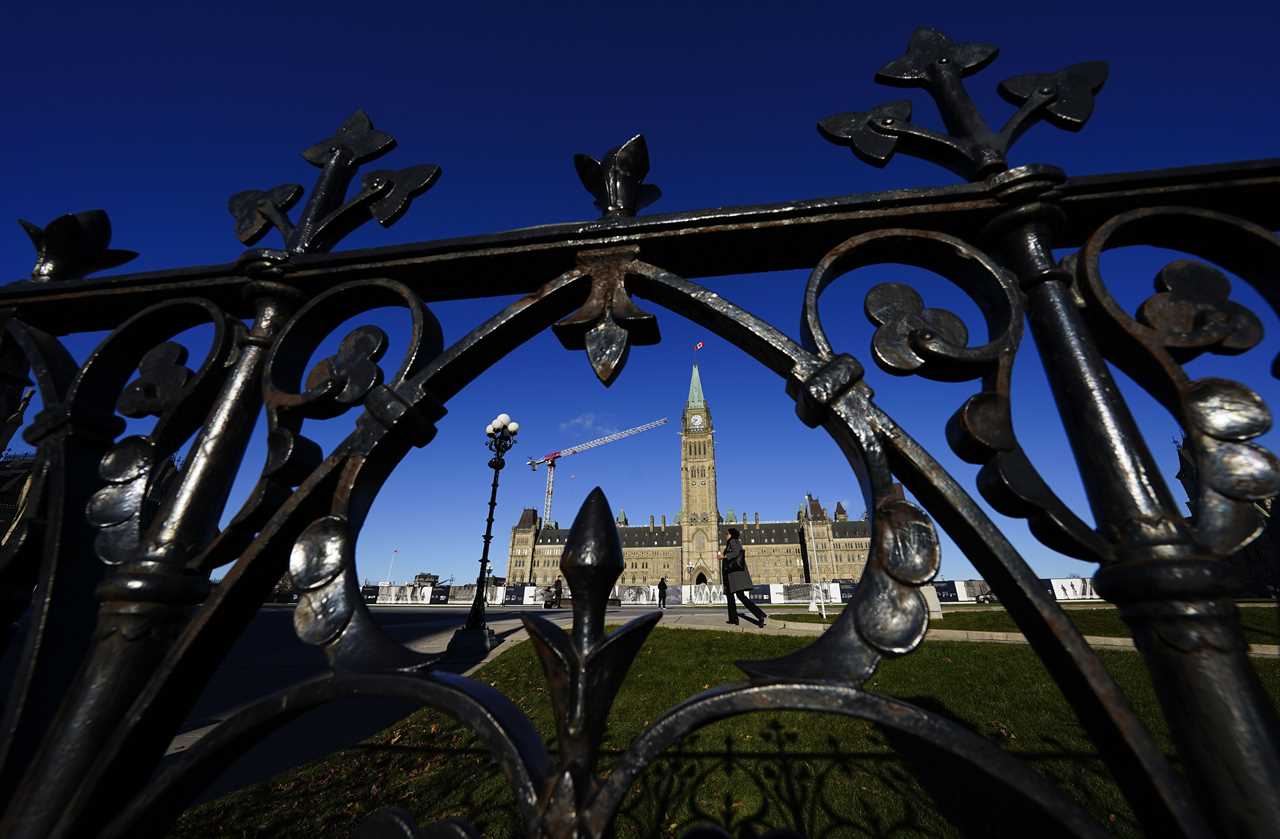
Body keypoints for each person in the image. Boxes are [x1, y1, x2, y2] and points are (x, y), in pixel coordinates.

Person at [721, 528, 767, 626]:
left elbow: (737, 552)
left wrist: (724, 556)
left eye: (727, 534)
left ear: (731, 534)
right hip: (730, 575)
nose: (725, 535)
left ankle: (759, 615)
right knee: (731, 597)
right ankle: (734, 619)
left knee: (740, 596)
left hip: (734, 576)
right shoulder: (730, 543)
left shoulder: (733, 541)